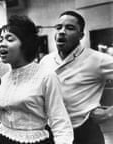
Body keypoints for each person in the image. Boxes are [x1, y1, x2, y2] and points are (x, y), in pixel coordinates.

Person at [0, 15, 73, 144]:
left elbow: (60, 123)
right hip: (3, 140)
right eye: (1, 40)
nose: (1, 44)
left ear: (25, 44)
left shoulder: (46, 76)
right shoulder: (3, 80)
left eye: (9, 39)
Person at [40, 10, 113, 144]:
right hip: (52, 132)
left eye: (70, 28)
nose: (62, 31)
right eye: (59, 27)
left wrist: (109, 113)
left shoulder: (97, 59)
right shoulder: (46, 60)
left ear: (81, 35)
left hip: (84, 132)